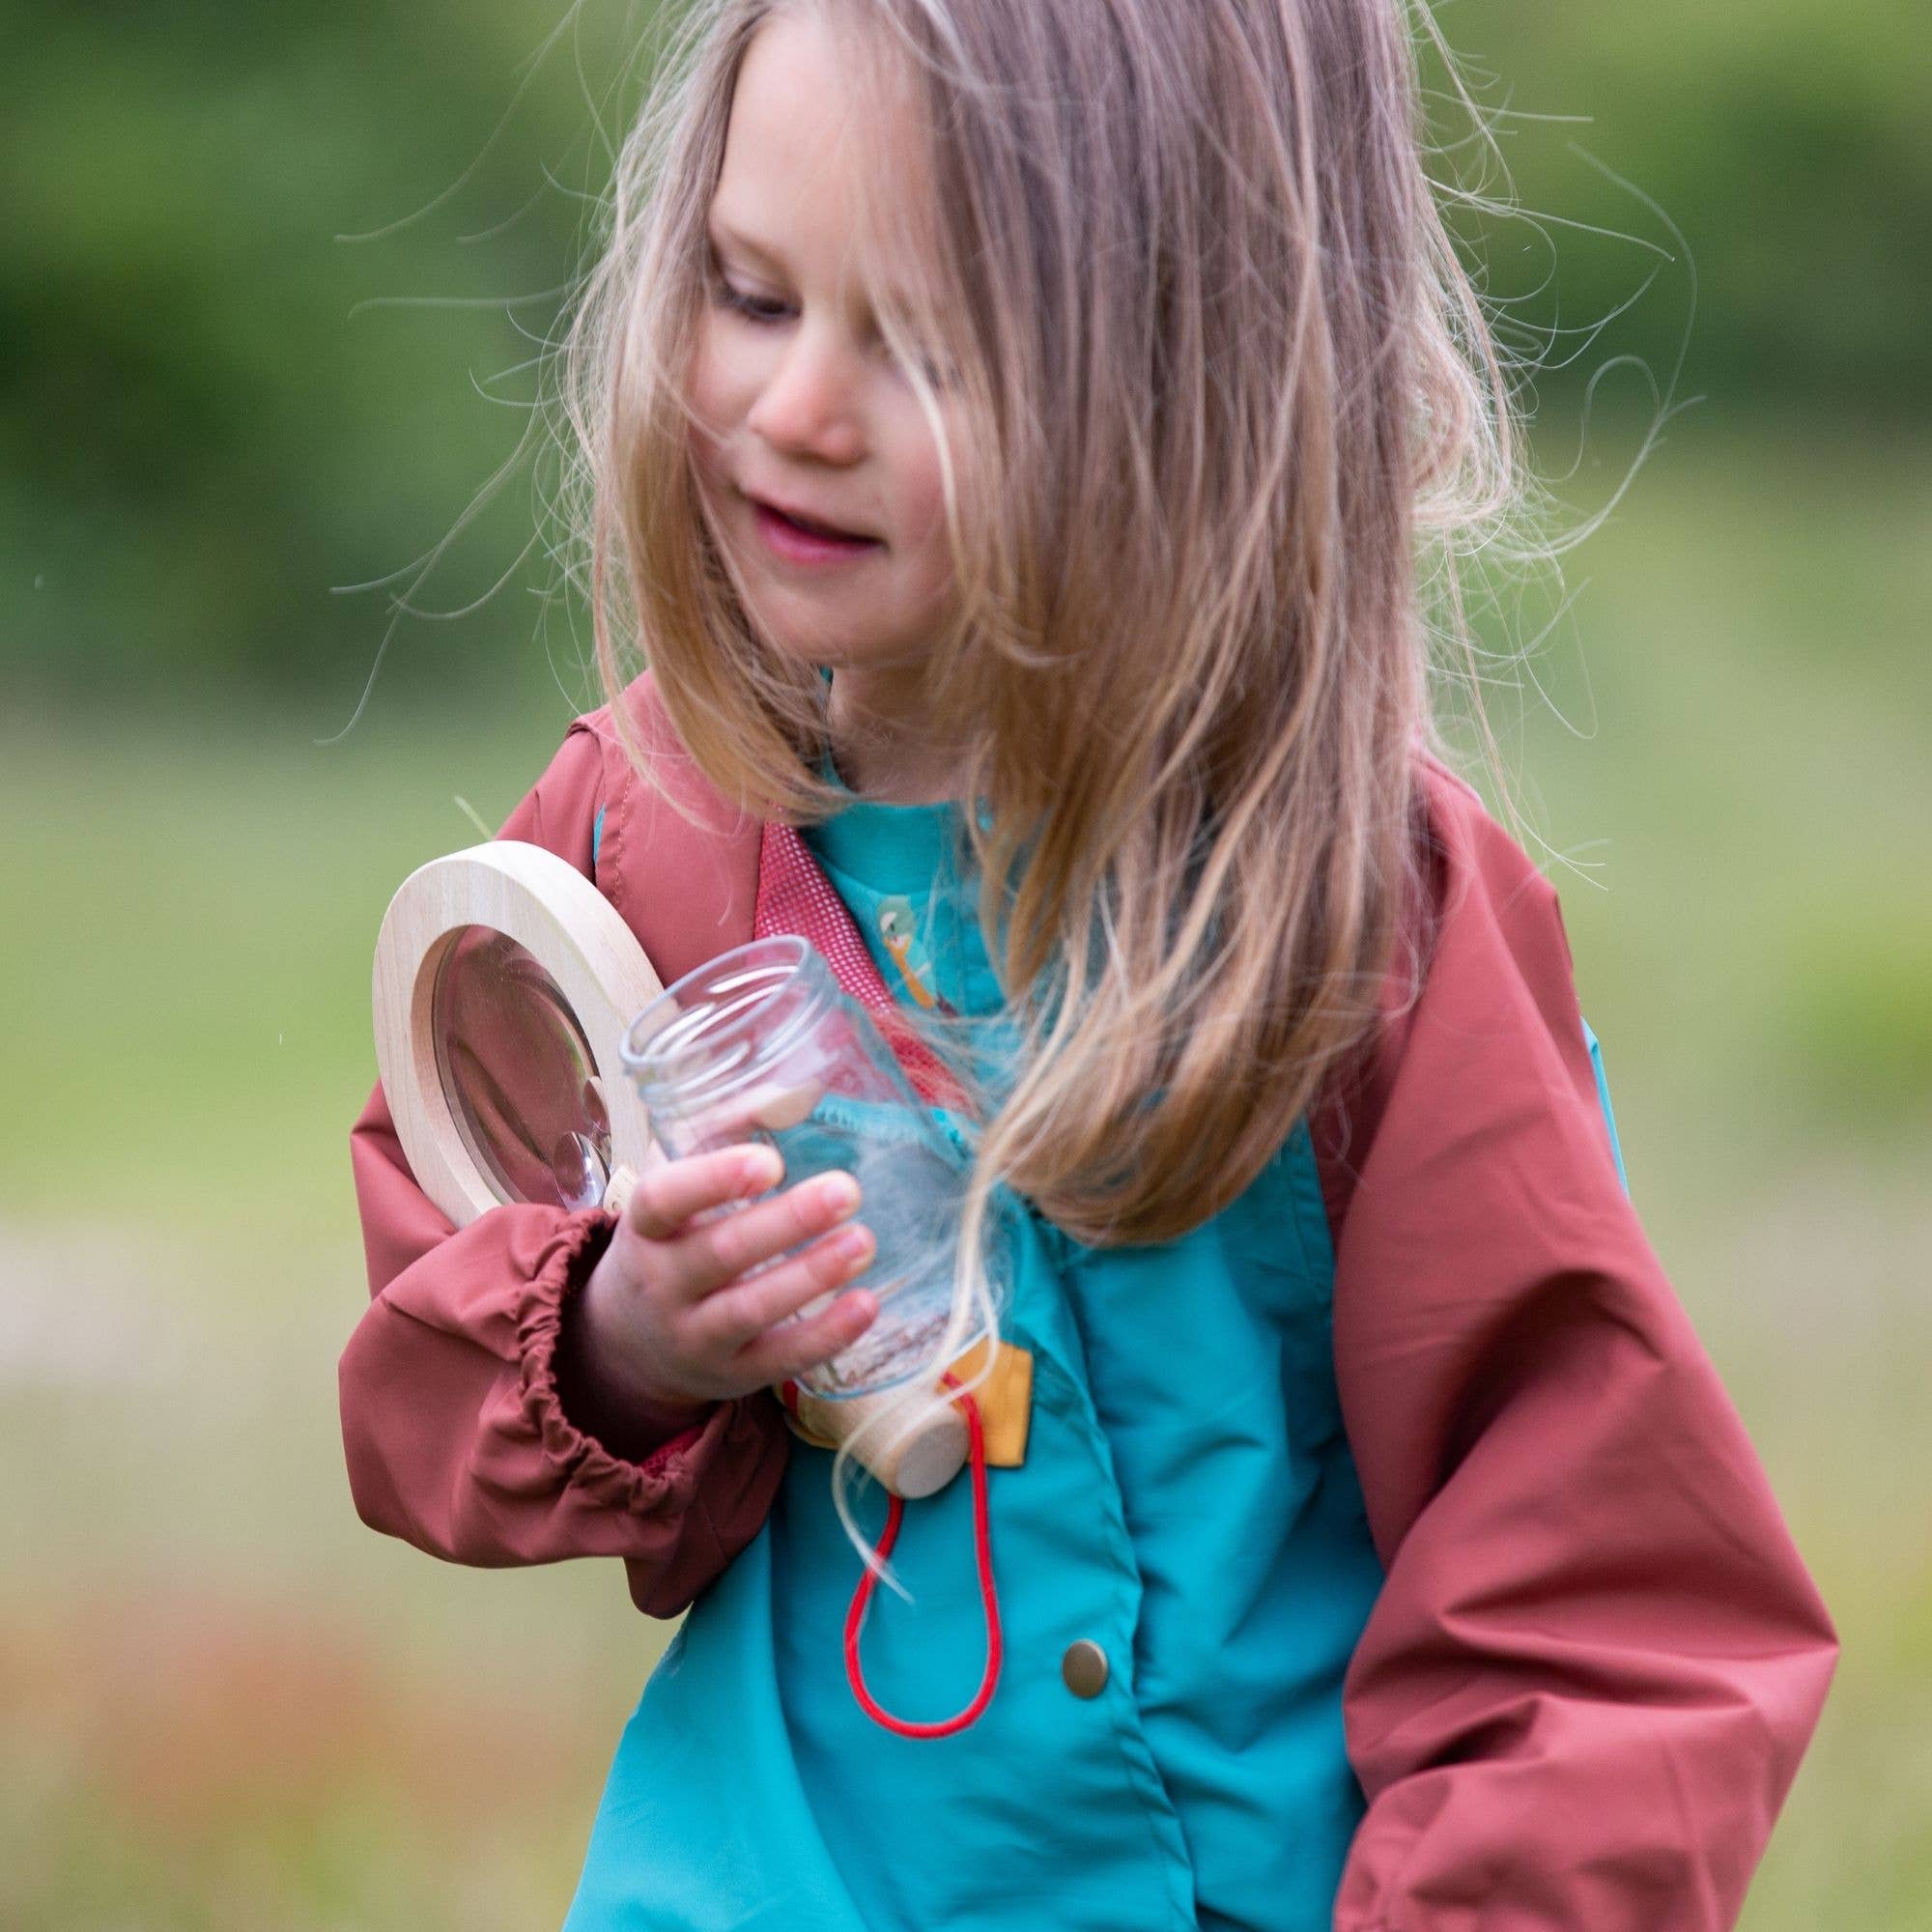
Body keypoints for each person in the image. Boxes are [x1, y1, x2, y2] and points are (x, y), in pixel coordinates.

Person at [337, 2, 1838, 1926]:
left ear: (1198, 380)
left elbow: (1596, 1604)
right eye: (749, 289)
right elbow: (424, 1369)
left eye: (933, 343)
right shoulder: (646, 835)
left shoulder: (1351, 910)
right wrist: (631, 1334)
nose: (796, 408)